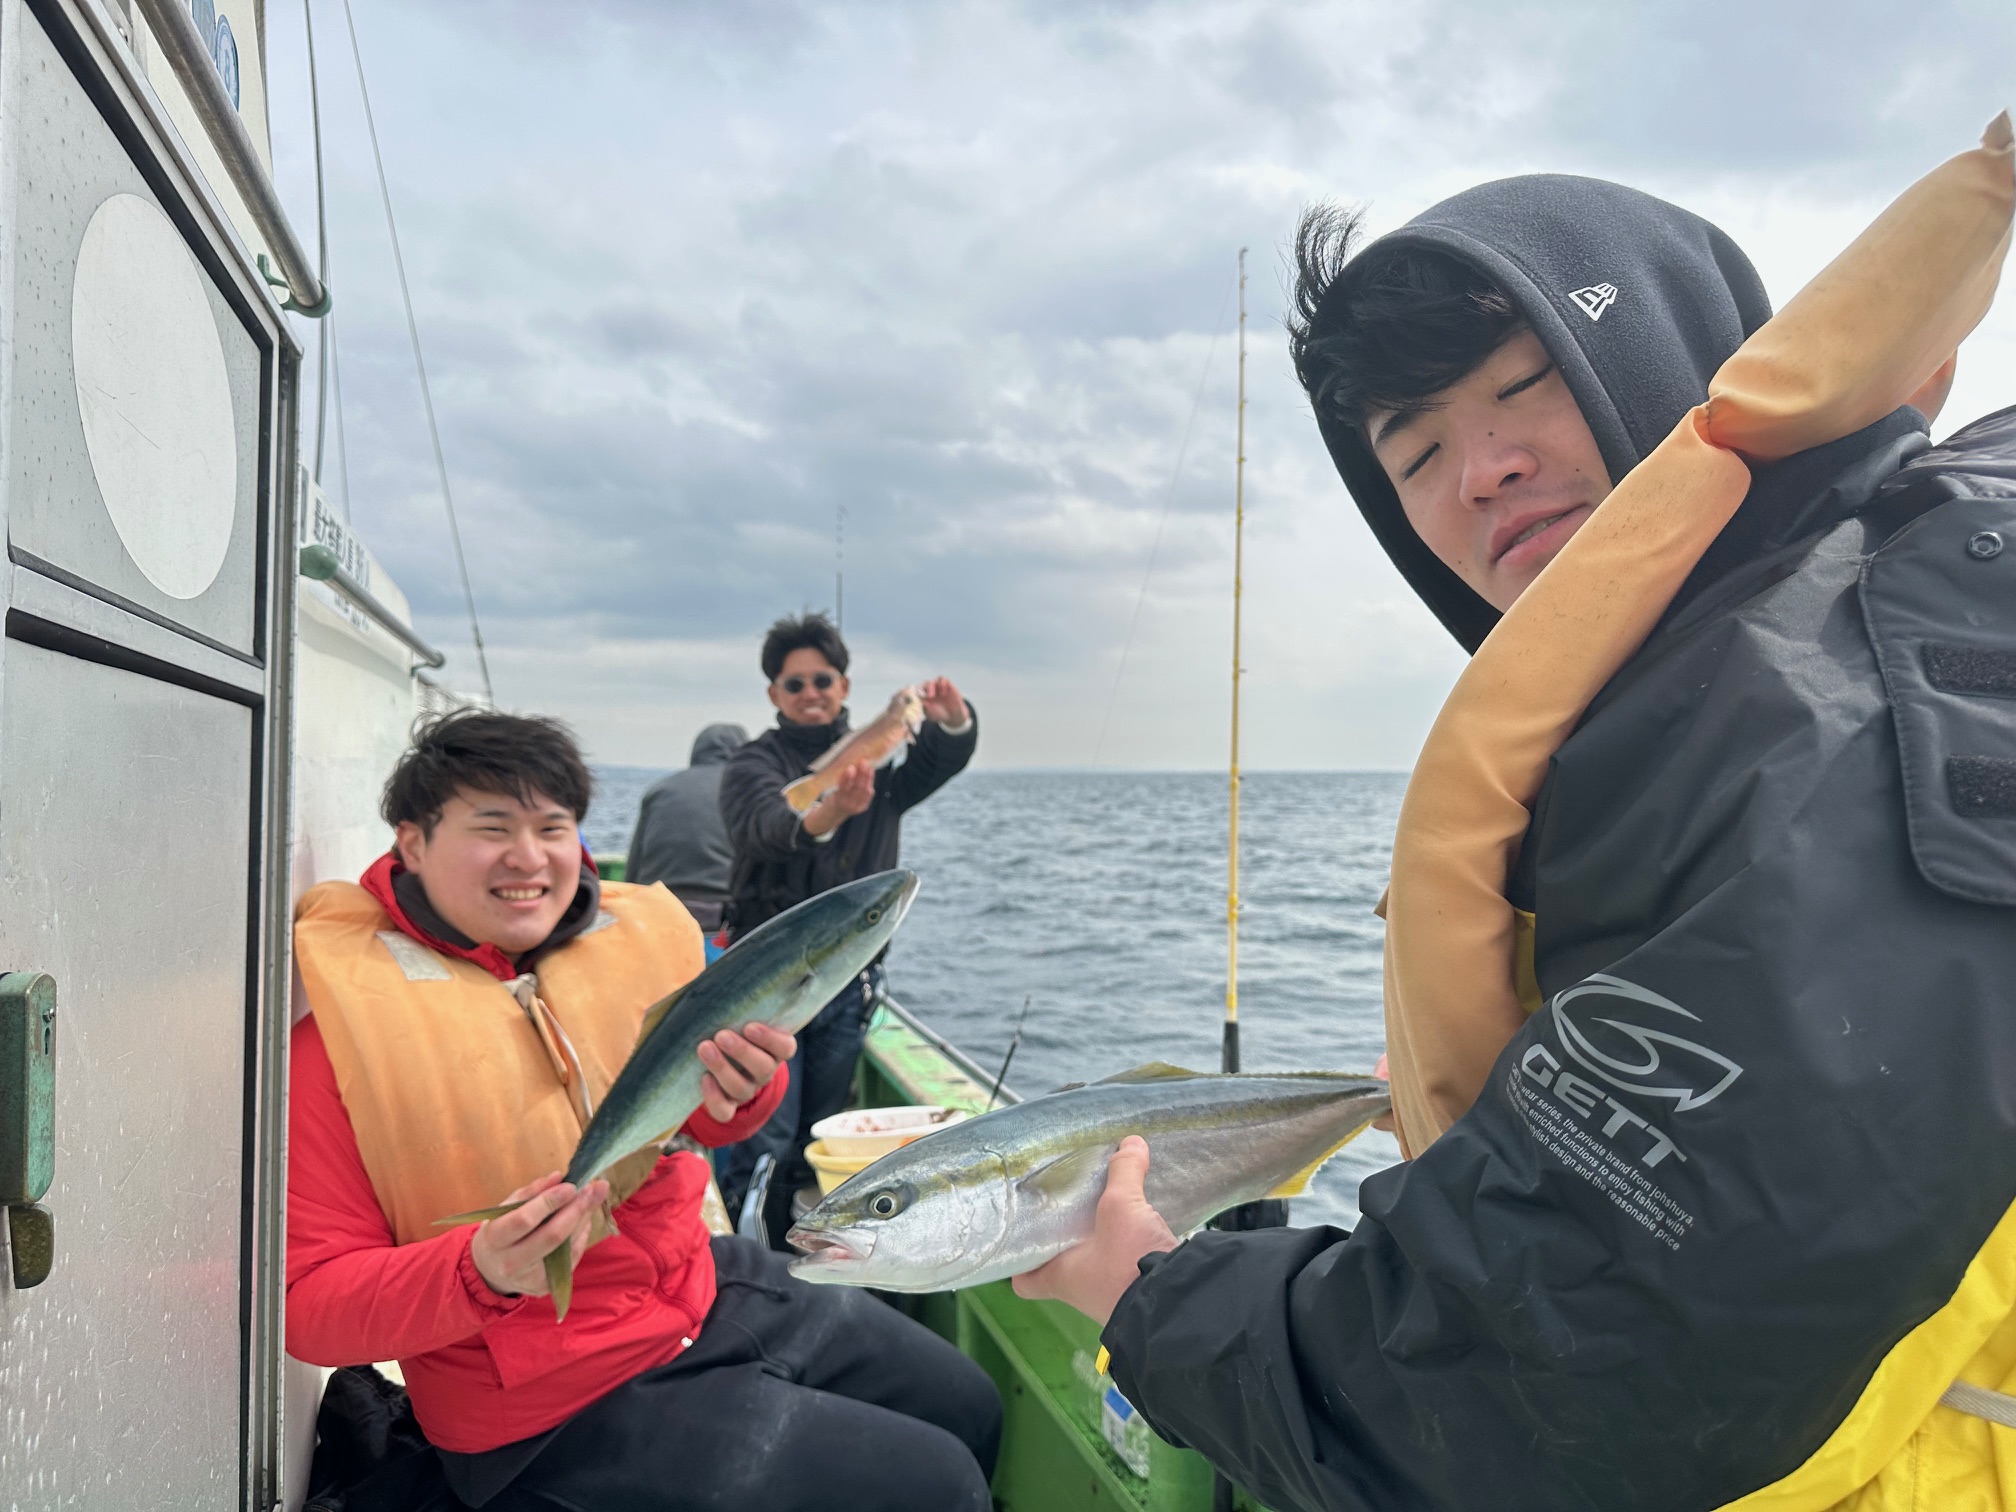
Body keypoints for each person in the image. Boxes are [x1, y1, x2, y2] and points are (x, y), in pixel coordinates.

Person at [1016, 140, 2016, 1511]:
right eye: (1415, 452)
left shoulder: (1838, 694)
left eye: (1527, 383)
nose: (1479, 472)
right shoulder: (1788, 637)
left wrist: (1150, 1297)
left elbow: (1557, 1394)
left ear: (1671, 355)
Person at [287, 709, 1000, 1511]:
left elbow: (706, 1121)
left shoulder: (625, 947)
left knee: (969, 1404)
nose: (529, 857)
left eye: (552, 828)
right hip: (541, 1401)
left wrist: (747, 1088)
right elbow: (308, 1307)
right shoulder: (339, 1047)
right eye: (493, 828)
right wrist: (479, 1270)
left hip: (692, 1284)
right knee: (942, 1488)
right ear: (413, 842)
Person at [716, 612, 976, 1243]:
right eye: (795, 683)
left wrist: (953, 720)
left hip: (847, 984)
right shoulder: (753, 764)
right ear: (774, 693)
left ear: (845, 686)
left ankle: (799, 1248)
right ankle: (751, 1254)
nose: (811, 693)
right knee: (765, 1133)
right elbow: (762, 826)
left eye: (823, 680)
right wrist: (827, 812)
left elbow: (938, 759)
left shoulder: (881, 768)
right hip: (769, 992)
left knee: (820, 1129)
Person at [625, 721, 748, 955]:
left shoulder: (659, 790)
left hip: (658, 914)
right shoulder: (745, 791)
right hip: (723, 922)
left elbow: (633, 868)